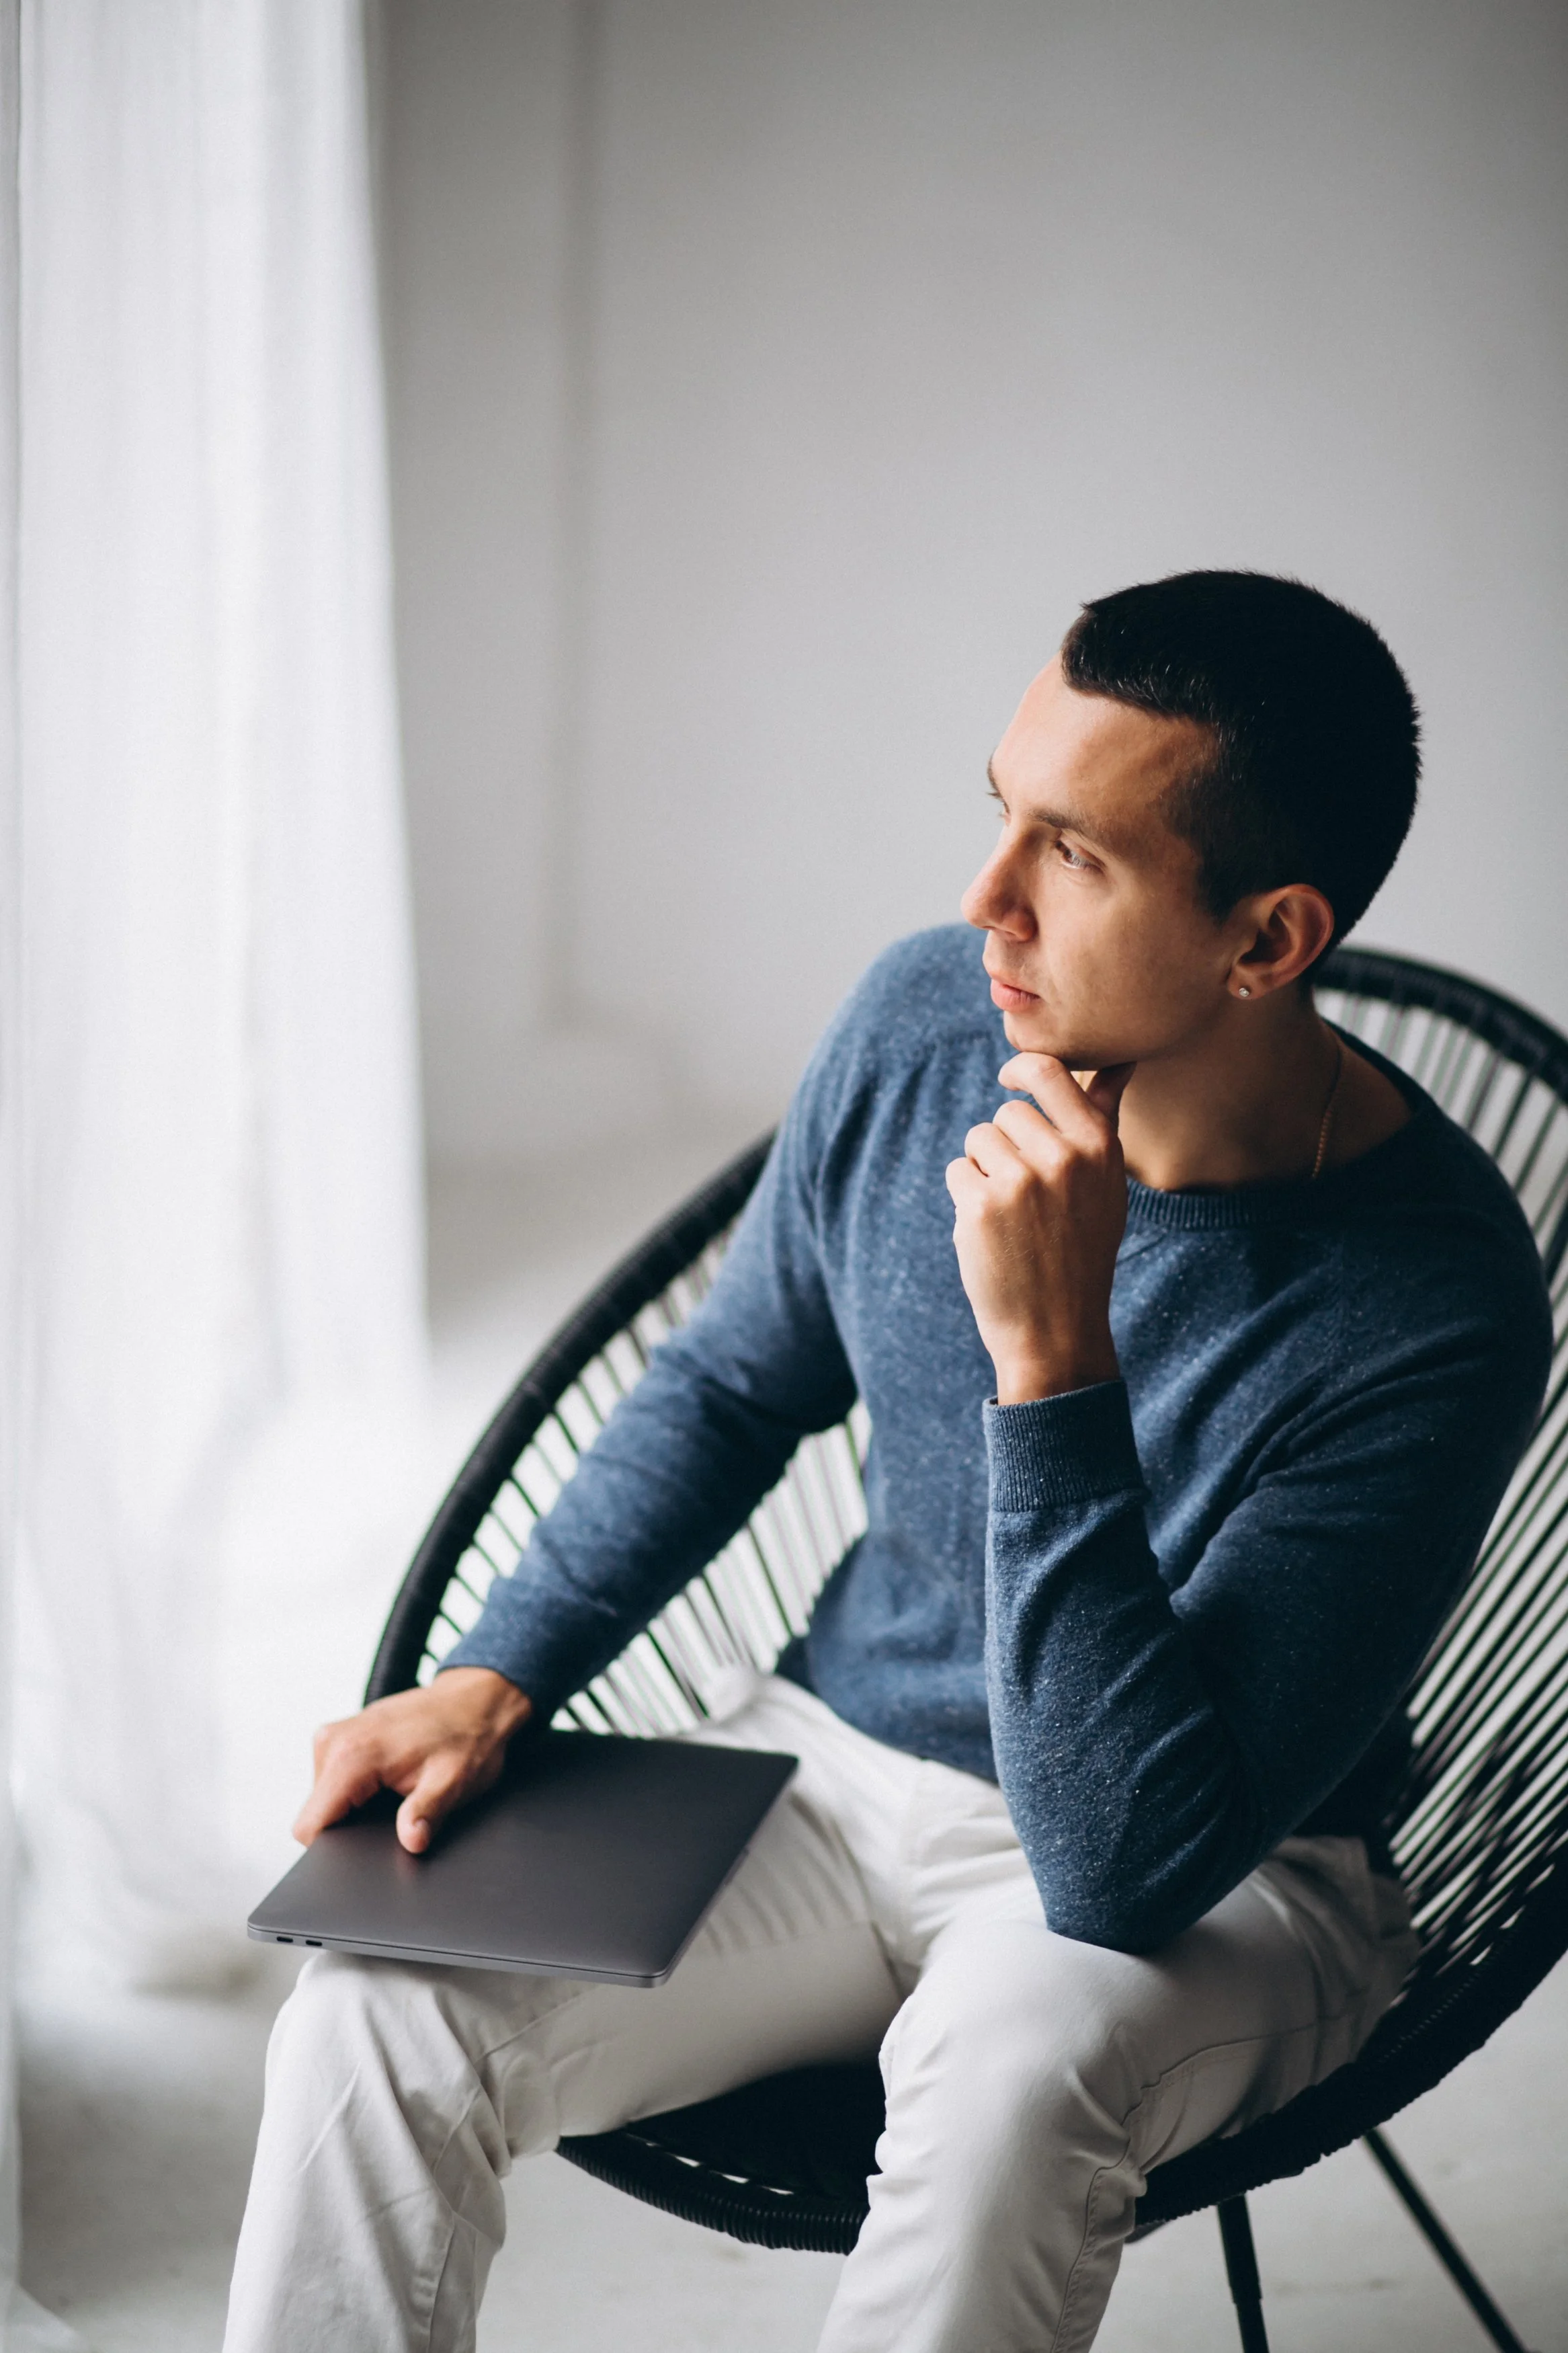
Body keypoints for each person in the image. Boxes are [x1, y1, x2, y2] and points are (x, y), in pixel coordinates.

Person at [223, 570, 1551, 2353]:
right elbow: (727, 1381)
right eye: (998, 810)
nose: (981, 901)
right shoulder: (929, 1021)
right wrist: (497, 1667)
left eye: (1071, 856)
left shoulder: (1430, 1300)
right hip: (832, 1772)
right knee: (375, 2003)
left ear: (1265, 938)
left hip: (1225, 1866)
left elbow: (1117, 1863)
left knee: (1011, 2055)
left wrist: (1051, 1357)